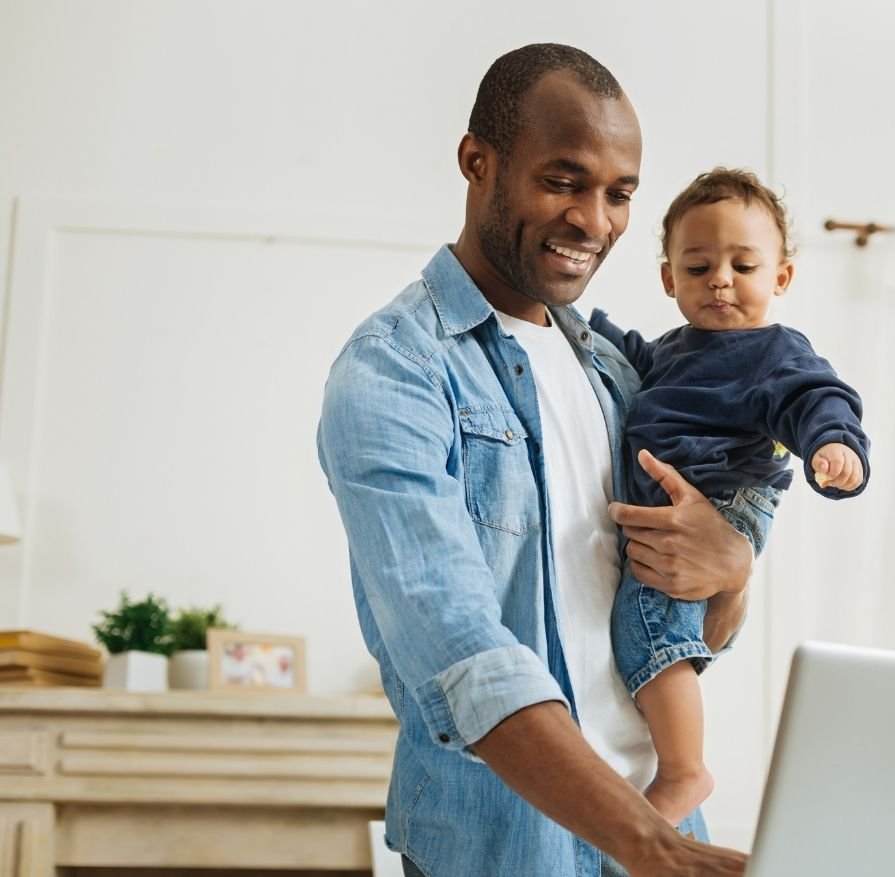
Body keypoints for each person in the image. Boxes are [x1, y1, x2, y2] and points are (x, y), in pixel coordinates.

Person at [316, 44, 752, 877]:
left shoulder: (620, 373)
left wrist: (731, 571)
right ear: (477, 162)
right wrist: (643, 841)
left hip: (663, 835)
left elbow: (693, 634)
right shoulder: (393, 370)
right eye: (563, 180)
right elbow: (464, 658)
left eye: (619, 193)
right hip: (510, 853)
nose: (594, 220)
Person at [588, 168, 870, 825]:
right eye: (698, 265)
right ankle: (678, 761)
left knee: (649, 626)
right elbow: (633, 362)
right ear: (669, 280)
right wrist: (581, 323)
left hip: (726, 496)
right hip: (690, 504)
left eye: (743, 264)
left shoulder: (772, 353)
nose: (720, 278)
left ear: (781, 277)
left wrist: (835, 445)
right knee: (653, 628)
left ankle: (685, 769)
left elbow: (815, 398)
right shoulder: (676, 351)